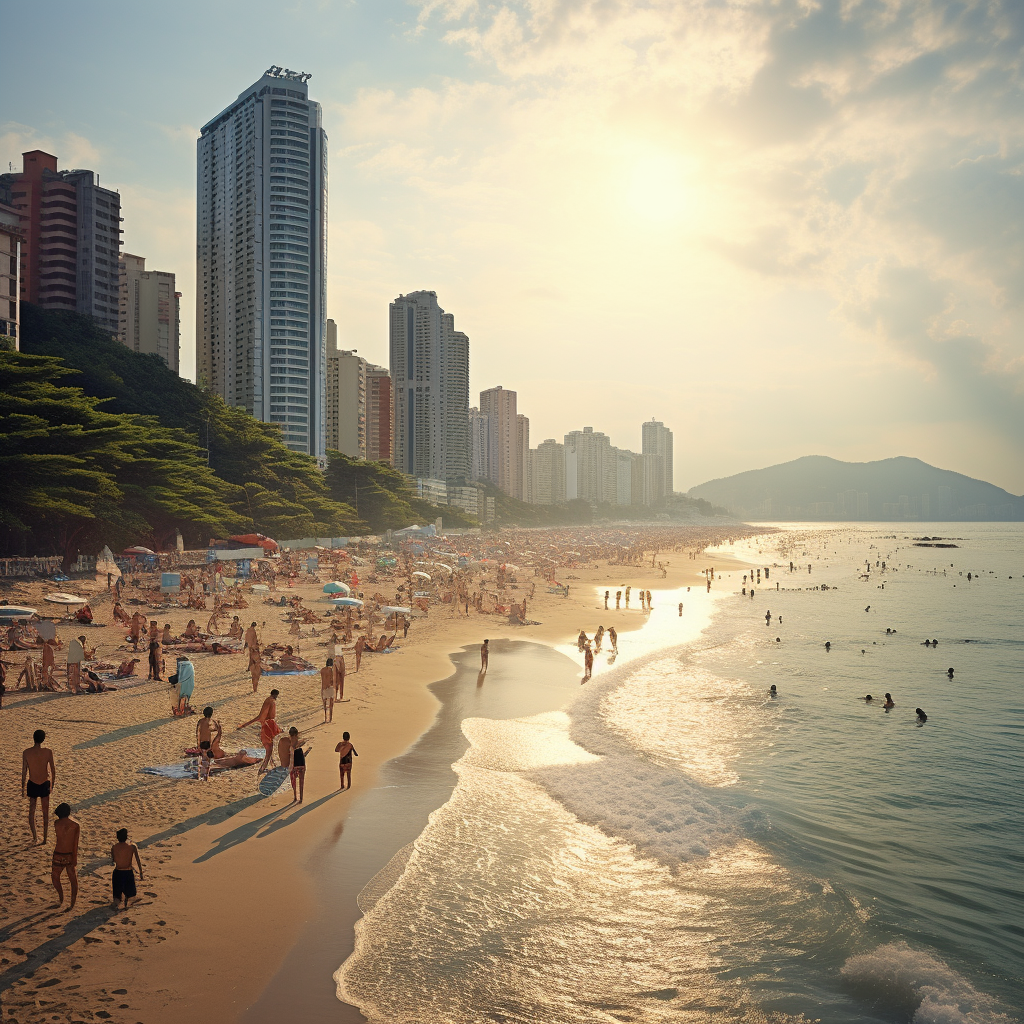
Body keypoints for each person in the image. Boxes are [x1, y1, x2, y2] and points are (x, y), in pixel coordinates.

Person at [22, 729, 57, 844]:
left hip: (32, 783)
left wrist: (22, 787)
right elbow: (53, 770)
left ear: (33, 738)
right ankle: (45, 838)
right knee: (45, 812)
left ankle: (35, 836)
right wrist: (52, 784)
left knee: (31, 811)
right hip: (44, 783)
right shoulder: (48, 752)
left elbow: (24, 772)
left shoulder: (26, 752)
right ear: (43, 739)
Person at [237, 690, 280, 773]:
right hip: (269, 726)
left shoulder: (267, 700)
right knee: (269, 749)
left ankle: (268, 766)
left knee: (270, 749)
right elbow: (269, 716)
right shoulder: (272, 702)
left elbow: (260, 716)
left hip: (266, 725)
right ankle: (262, 768)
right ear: (275, 695)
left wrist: (245, 725)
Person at [51, 803, 80, 910]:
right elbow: (75, 844)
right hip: (69, 854)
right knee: (72, 879)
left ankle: (61, 896)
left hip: (58, 853)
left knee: (55, 877)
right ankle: (72, 902)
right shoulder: (75, 825)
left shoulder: (56, 823)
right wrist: (75, 857)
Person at [110, 827, 144, 908]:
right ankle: (127, 900)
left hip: (117, 872)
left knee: (117, 897)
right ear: (126, 837)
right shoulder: (132, 846)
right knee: (131, 895)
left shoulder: (114, 847)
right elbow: (138, 860)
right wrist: (141, 872)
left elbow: (114, 860)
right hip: (128, 872)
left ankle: (117, 902)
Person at [288, 727, 312, 803]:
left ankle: (295, 797)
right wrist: (308, 750)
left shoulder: (289, 744)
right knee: (301, 782)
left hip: (293, 765)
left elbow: (289, 755)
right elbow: (303, 755)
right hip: (301, 764)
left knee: (294, 782)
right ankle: (301, 799)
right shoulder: (300, 743)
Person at [321, 658, 335, 723]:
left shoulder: (322, 670)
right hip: (329, 688)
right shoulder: (331, 670)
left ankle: (325, 717)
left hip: (323, 688)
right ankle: (330, 719)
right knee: (331, 705)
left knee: (325, 705)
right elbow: (331, 680)